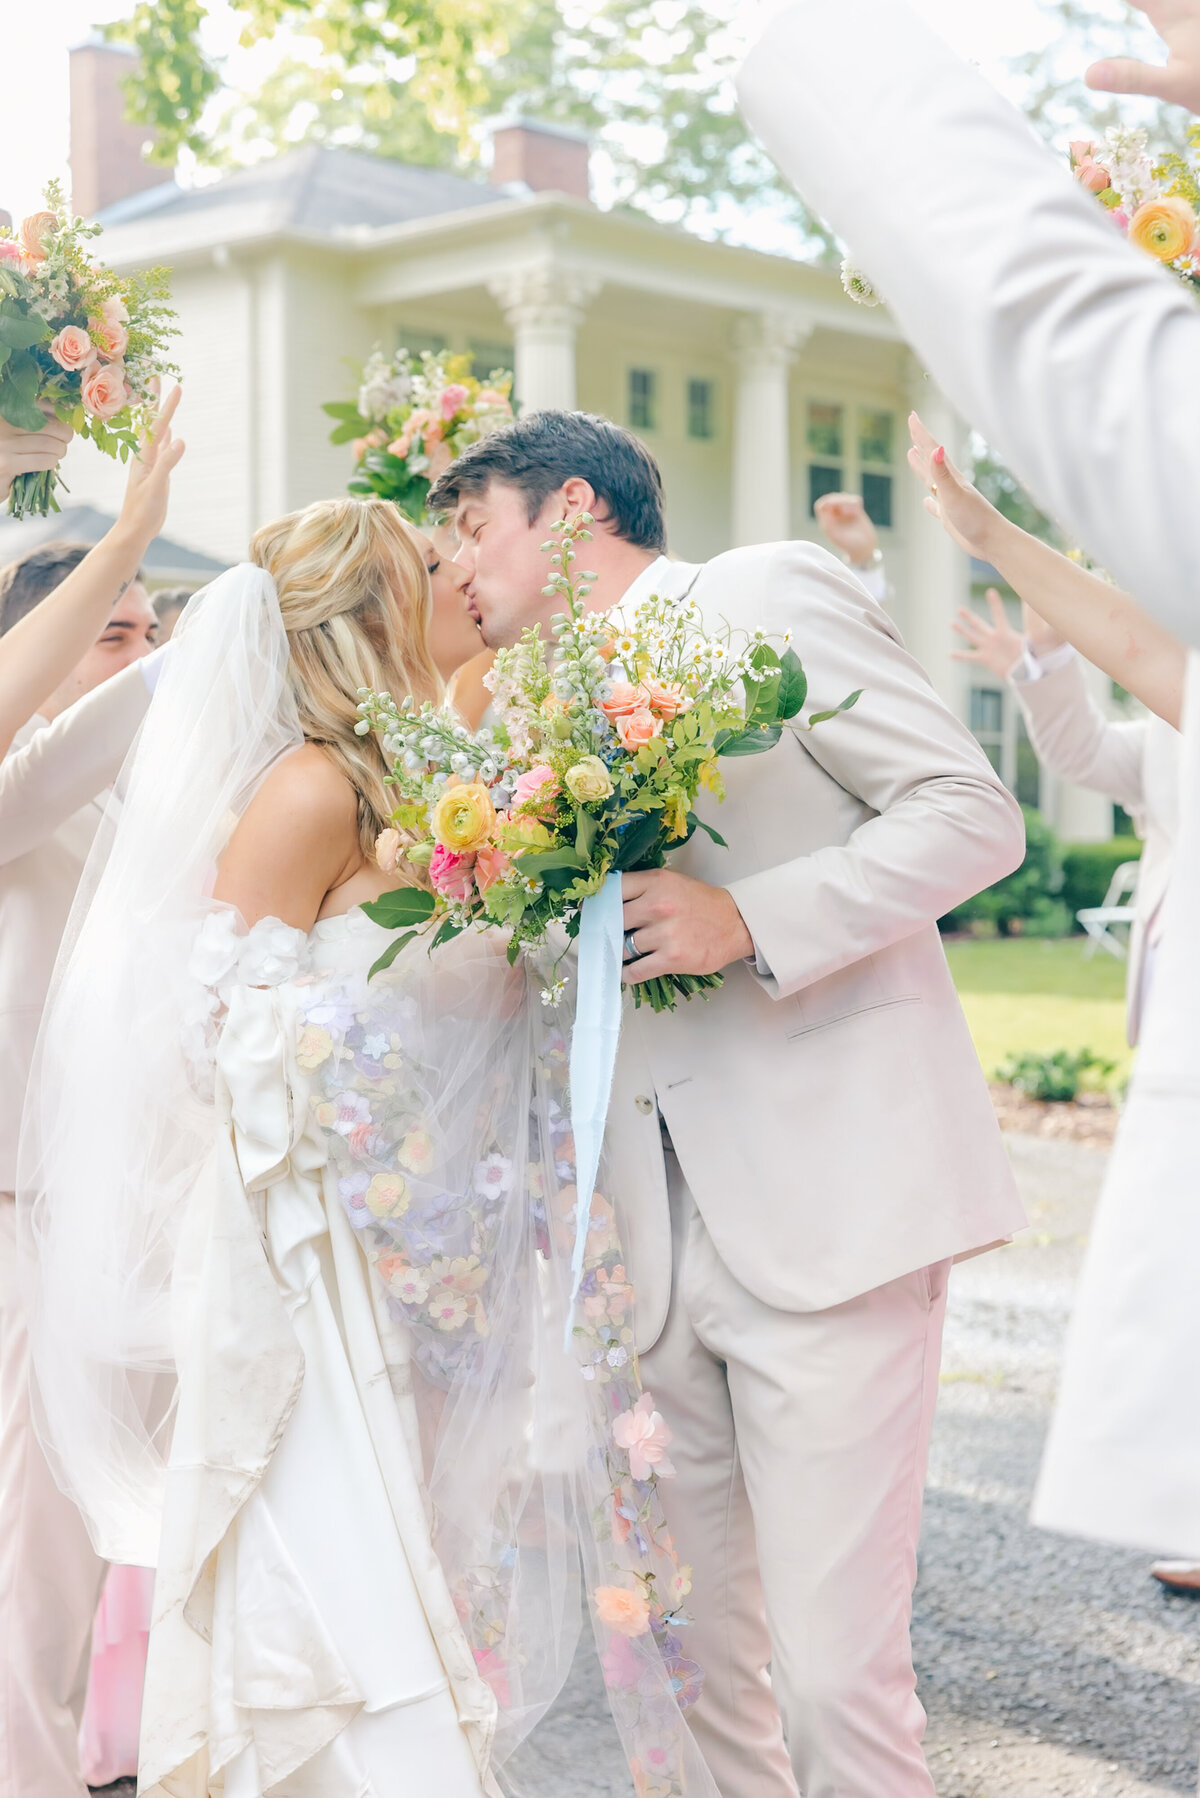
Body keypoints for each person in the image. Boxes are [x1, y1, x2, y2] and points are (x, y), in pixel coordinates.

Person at [22, 494, 717, 1798]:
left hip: (430, 1242)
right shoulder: (308, 789)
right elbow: (213, 1030)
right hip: (309, 1267)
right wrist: (386, 1095)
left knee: (431, 1573)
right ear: (370, 616)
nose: (460, 570)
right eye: (427, 563)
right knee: (335, 1589)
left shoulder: (446, 783)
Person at [428, 407, 1028, 1798]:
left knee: (837, 1685)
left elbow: (967, 809)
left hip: (832, 1212)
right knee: (696, 1672)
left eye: (473, 523)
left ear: (570, 506)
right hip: (647, 1249)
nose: (454, 560)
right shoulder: (521, 719)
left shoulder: (761, 591)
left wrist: (745, 913)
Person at [903, 411, 1200, 1577]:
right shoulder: (1170, 723)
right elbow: (1083, 751)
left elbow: (1151, 654)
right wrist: (1040, 662)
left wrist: (988, 529)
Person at [0, 399, 183, 1798]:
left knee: (98, 1557)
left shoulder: (151, 811)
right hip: (21, 1221)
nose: (135, 654)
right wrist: (120, 539)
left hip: (132, 1220)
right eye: (103, 630)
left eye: (146, 631)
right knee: (27, 1582)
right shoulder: (23, 790)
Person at [0, 389, 183, 758]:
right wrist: (132, 532)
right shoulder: (21, 770)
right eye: (114, 638)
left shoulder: (149, 762)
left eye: (151, 637)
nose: (143, 659)